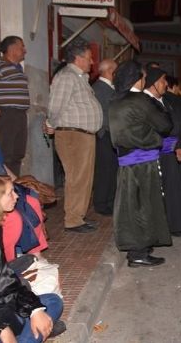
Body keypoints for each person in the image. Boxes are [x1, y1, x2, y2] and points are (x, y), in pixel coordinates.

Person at [109, 60, 173, 268]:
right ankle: (138, 253)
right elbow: (164, 125)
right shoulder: (139, 100)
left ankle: (140, 246)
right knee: (144, 205)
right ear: (137, 78)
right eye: (144, 77)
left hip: (126, 161)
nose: (146, 80)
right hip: (142, 161)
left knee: (131, 205)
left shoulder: (115, 100)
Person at [0, 176, 64, 343]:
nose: (16, 196)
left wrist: (34, 310)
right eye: (10, 193)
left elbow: (4, 280)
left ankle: (27, 332)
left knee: (52, 302)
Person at [46, 41, 102, 233]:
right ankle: (72, 220)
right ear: (78, 59)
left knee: (84, 178)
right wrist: (50, 125)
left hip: (83, 135)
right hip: (73, 135)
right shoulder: (67, 77)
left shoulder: (79, 78)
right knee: (76, 177)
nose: (92, 61)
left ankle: (78, 216)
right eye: (89, 57)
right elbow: (55, 106)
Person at [143, 67, 181, 237]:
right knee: (158, 192)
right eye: (162, 80)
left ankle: (174, 225)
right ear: (154, 83)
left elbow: (173, 124)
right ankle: (159, 229)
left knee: (173, 188)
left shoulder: (165, 100)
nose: (166, 83)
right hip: (154, 152)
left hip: (169, 149)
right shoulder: (145, 102)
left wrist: (178, 145)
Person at [0, 36, 29, 176]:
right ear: (11, 49)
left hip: (19, 115)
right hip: (6, 114)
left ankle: (15, 187)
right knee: (6, 153)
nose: (25, 50)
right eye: (22, 47)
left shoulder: (18, 68)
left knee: (17, 153)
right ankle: (2, 188)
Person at [92, 59, 118, 216]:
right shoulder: (99, 88)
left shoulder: (109, 87)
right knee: (104, 171)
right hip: (104, 134)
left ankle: (110, 201)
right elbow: (102, 115)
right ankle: (101, 204)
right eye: (115, 71)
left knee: (111, 170)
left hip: (112, 134)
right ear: (109, 71)